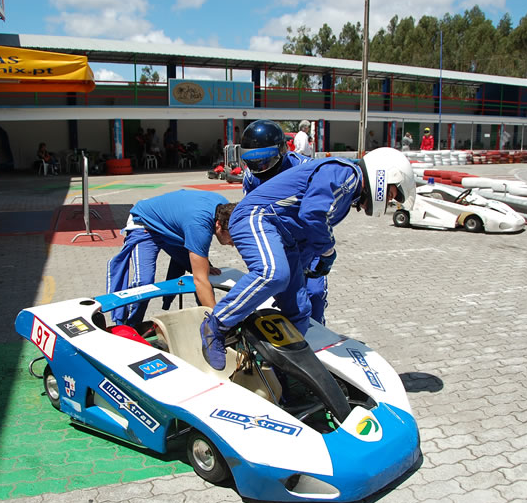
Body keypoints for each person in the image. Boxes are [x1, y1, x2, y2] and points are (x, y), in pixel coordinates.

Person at [201, 147, 416, 370]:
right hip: (256, 215)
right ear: (384, 176)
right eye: (390, 195)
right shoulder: (345, 173)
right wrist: (328, 251)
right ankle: (215, 326)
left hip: (284, 234)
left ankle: (279, 369)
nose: (388, 201)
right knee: (272, 273)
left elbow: (305, 234)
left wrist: (301, 272)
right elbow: (312, 214)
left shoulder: (348, 192)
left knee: (300, 311)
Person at [239, 119, 330, 324]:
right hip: (281, 246)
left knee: (315, 294)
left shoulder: (307, 170)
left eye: (265, 161)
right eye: (254, 162)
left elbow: (320, 213)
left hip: (308, 242)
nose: (260, 168)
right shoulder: (251, 177)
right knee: (292, 304)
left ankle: (318, 336)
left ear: (282, 150)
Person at [106, 190, 236, 328]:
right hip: (145, 225)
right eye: (232, 238)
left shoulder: (224, 208)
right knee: (144, 282)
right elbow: (200, 281)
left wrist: (203, 267)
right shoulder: (199, 226)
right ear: (219, 226)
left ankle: (205, 322)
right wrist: (220, 324)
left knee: (206, 276)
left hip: (173, 227)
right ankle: (129, 326)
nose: (233, 244)